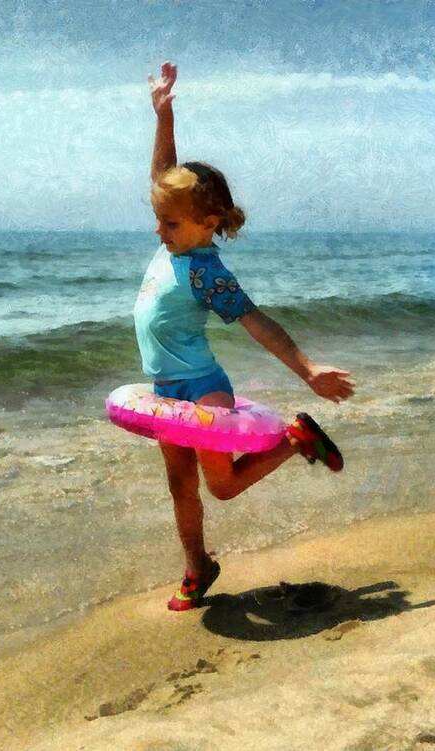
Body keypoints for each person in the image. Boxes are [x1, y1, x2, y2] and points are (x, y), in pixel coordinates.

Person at [136, 61, 355, 611]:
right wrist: (164, 114)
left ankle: (294, 438)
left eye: (170, 224)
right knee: (179, 487)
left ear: (207, 224)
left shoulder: (206, 271)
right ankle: (198, 568)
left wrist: (308, 371)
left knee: (223, 486)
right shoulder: (175, 237)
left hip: (204, 388)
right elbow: (163, 176)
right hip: (164, 390)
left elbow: (257, 322)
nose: (158, 231)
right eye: (160, 220)